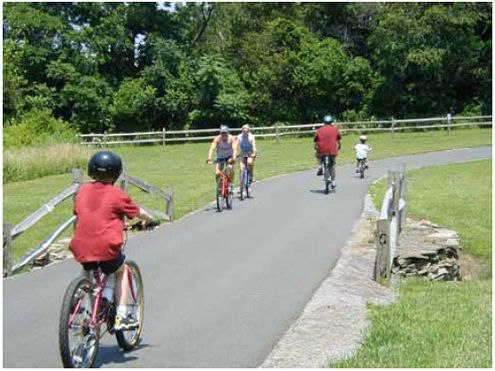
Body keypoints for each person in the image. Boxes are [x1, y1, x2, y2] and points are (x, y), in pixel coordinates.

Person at [70, 151, 155, 331]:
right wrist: (150, 219)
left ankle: (80, 295)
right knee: (121, 271)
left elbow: (82, 214)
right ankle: (122, 317)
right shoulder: (116, 194)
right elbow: (137, 211)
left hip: (80, 245)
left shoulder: (82, 190)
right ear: (116, 173)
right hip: (106, 247)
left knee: (90, 263)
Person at [314, 115, 341, 188]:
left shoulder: (319, 130)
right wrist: (339, 146)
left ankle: (320, 166)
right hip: (332, 150)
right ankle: (333, 182)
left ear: (324, 122)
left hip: (322, 150)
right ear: (331, 122)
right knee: (333, 166)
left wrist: (316, 146)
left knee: (317, 154)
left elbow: (316, 140)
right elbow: (338, 139)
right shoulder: (335, 130)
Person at [236, 124, 257, 192]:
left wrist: (254, 153)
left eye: (246, 129)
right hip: (242, 152)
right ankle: (240, 187)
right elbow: (236, 145)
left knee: (249, 162)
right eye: (243, 129)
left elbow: (254, 146)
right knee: (241, 169)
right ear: (242, 130)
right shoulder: (239, 136)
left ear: (248, 130)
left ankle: (251, 176)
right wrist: (235, 153)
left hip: (250, 152)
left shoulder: (251, 137)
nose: (245, 130)